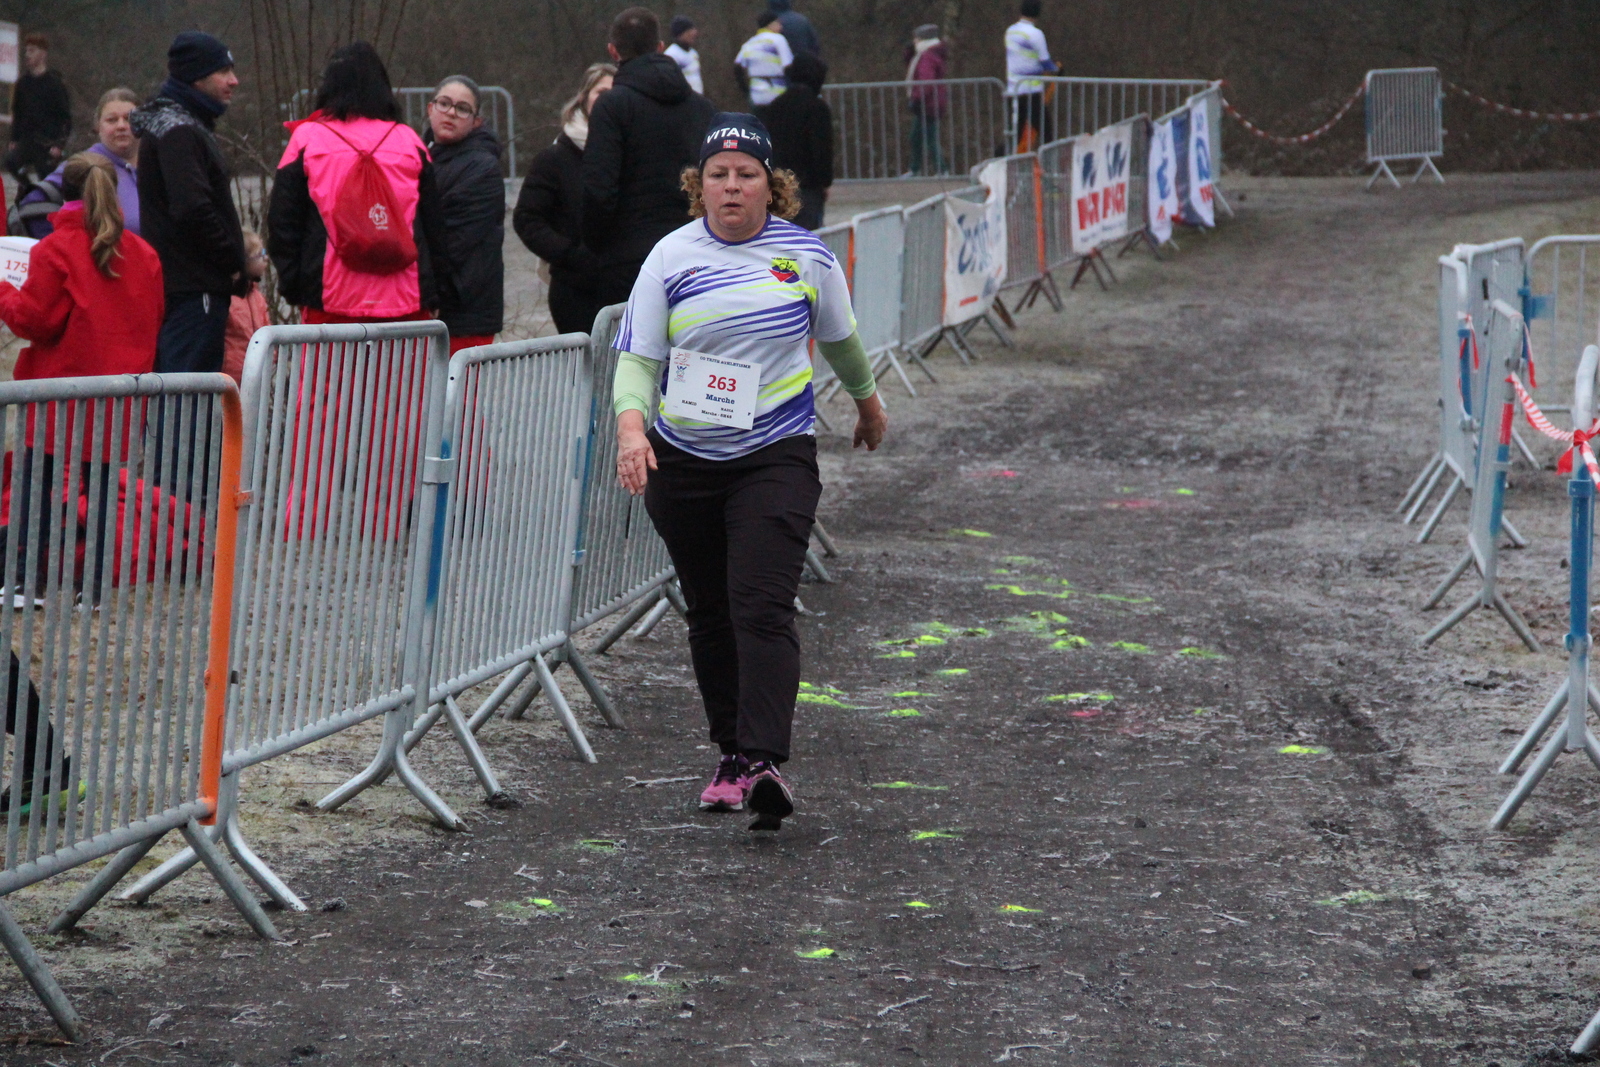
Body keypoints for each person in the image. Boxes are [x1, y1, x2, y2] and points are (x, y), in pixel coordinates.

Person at [612, 114, 887, 831]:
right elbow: (637, 358)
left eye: (746, 174)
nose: (731, 186)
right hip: (685, 459)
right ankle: (731, 755)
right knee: (710, 610)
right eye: (718, 175)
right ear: (698, 186)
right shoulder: (670, 256)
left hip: (775, 453)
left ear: (772, 186)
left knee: (760, 603)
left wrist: (868, 405)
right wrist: (633, 429)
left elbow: (841, 338)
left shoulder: (805, 256)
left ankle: (764, 760)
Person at [0, 152, 163, 814]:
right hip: (117, 401)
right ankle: (83, 585)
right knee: (95, 497)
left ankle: (22, 575)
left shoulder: (56, 249)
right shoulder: (142, 254)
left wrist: (4, 291)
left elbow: (35, 321)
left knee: (38, 496)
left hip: (59, 399)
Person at [267, 41, 453, 325]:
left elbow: (283, 222)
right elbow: (434, 226)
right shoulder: (409, 141)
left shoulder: (307, 139)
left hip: (330, 299)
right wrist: (436, 290)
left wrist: (295, 285)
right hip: (406, 300)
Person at [583, 7, 716, 309]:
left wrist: (596, 246)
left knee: (632, 340)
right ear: (660, 47)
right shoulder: (703, 109)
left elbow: (598, 189)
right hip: (695, 253)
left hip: (628, 259)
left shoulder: (611, 107)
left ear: (613, 51)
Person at [132, 31, 248, 374]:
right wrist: (231, 260)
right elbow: (192, 207)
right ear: (197, 77)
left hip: (189, 287)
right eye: (223, 71)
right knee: (187, 394)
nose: (234, 81)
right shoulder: (180, 131)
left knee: (183, 391)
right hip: (194, 289)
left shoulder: (181, 125)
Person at [515, 63, 614, 335]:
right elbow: (527, 219)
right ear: (583, 97)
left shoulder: (634, 155)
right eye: (601, 92)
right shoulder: (554, 159)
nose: (608, 100)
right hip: (574, 289)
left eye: (615, 94)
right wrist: (570, 255)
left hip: (624, 283)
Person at [424, 75, 504, 354]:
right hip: (431, 306)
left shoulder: (482, 168)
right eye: (444, 103)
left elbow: (456, 242)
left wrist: (429, 293)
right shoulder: (419, 157)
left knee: (454, 384)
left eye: (462, 108)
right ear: (430, 108)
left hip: (464, 311)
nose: (451, 113)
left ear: (476, 121)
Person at [15, 88, 142, 239]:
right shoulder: (85, 164)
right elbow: (33, 206)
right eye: (112, 120)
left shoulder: (156, 164)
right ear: (97, 126)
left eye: (129, 118)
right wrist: (70, 247)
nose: (121, 126)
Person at [763, 52, 832, 230]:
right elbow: (821, 150)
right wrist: (825, 182)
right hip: (808, 187)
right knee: (808, 237)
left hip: (778, 184)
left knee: (780, 236)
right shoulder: (817, 108)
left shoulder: (775, 106)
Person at [5, 34, 71, 190]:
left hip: (47, 143)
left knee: (48, 181)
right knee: (11, 162)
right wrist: (14, 139)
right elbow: (17, 113)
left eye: (32, 50)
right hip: (27, 140)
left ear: (42, 53)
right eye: (26, 51)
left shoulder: (55, 84)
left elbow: (65, 118)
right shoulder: (23, 83)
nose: (27, 55)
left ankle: (48, 198)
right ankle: (29, 189)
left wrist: (59, 144)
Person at [1005, 0, 1059, 152]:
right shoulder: (1036, 34)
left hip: (1013, 90)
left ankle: (996, 161)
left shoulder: (1010, 31)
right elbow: (1045, 63)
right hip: (1031, 92)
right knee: (1047, 134)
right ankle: (1049, 164)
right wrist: (1058, 69)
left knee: (1014, 136)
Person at [223, 230, 269, 382]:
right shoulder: (229, 297)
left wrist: (272, 353)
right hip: (232, 372)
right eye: (259, 254)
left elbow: (266, 326)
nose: (265, 258)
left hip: (258, 370)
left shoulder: (257, 297)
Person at [906, 24, 949, 176]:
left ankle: (939, 170)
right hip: (932, 103)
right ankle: (917, 169)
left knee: (928, 138)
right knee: (917, 137)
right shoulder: (929, 54)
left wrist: (917, 99)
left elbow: (926, 81)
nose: (914, 41)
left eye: (916, 38)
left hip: (928, 104)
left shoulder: (927, 57)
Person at [735, 12, 794, 113]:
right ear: (770, 24)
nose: (781, 27)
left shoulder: (750, 43)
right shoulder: (778, 39)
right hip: (778, 94)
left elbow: (737, 67)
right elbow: (788, 66)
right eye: (778, 23)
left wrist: (746, 91)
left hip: (756, 95)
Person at [665, 16, 704, 95]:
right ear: (680, 34)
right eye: (689, 31)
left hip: (697, 97)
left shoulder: (693, 53)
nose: (694, 33)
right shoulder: (671, 54)